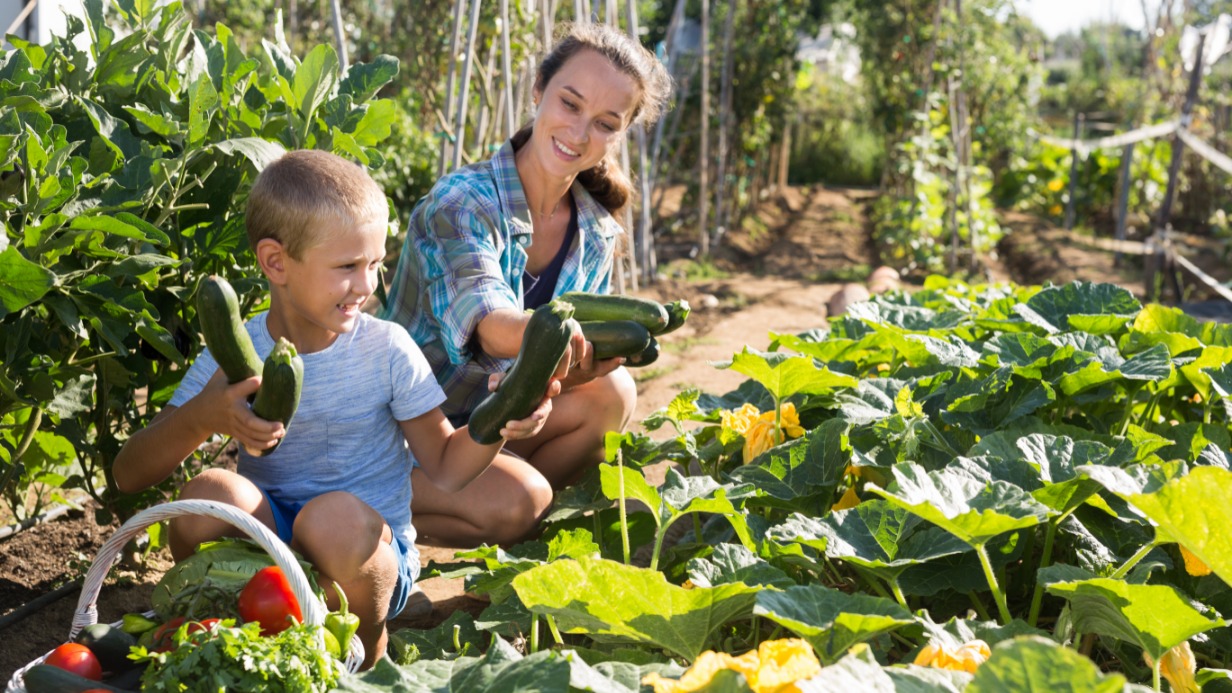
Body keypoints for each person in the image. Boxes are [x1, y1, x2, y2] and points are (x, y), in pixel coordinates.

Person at [112, 150, 554, 668]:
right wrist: (202, 416)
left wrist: (503, 417)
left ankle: (366, 654)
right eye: (347, 267)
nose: (367, 286)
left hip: (364, 550)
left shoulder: (386, 348)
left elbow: (447, 465)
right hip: (269, 545)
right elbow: (128, 474)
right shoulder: (235, 351)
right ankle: (242, 631)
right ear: (276, 262)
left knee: (333, 521)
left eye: (375, 264)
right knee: (208, 496)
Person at [381, 22, 672, 548]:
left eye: (606, 123)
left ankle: (511, 516)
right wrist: (555, 341)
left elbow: (542, 373)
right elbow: (490, 329)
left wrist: (572, 370)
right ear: (538, 91)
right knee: (522, 501)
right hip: (404, 433)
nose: (581, 133)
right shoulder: (464, 203)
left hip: (488, 420)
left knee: (614, 391)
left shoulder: (595, 232)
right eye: (570, 103)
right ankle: (350, 510)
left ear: (621, 133)